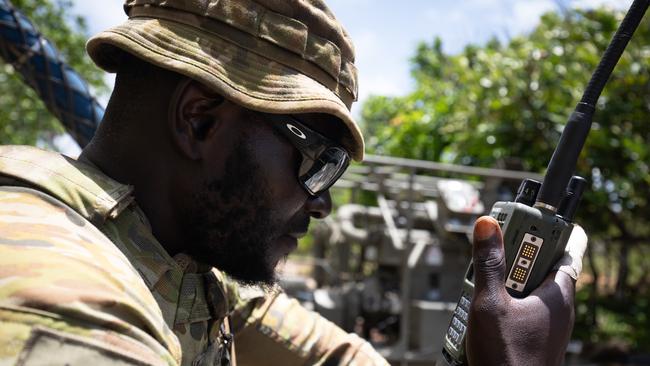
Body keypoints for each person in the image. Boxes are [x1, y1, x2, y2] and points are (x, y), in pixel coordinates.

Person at [0, 0, 587, 365]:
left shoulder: (170, 258)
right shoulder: (64, 299)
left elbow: (333, 356)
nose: (324, 202)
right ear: (199, 121)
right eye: (318, 162)